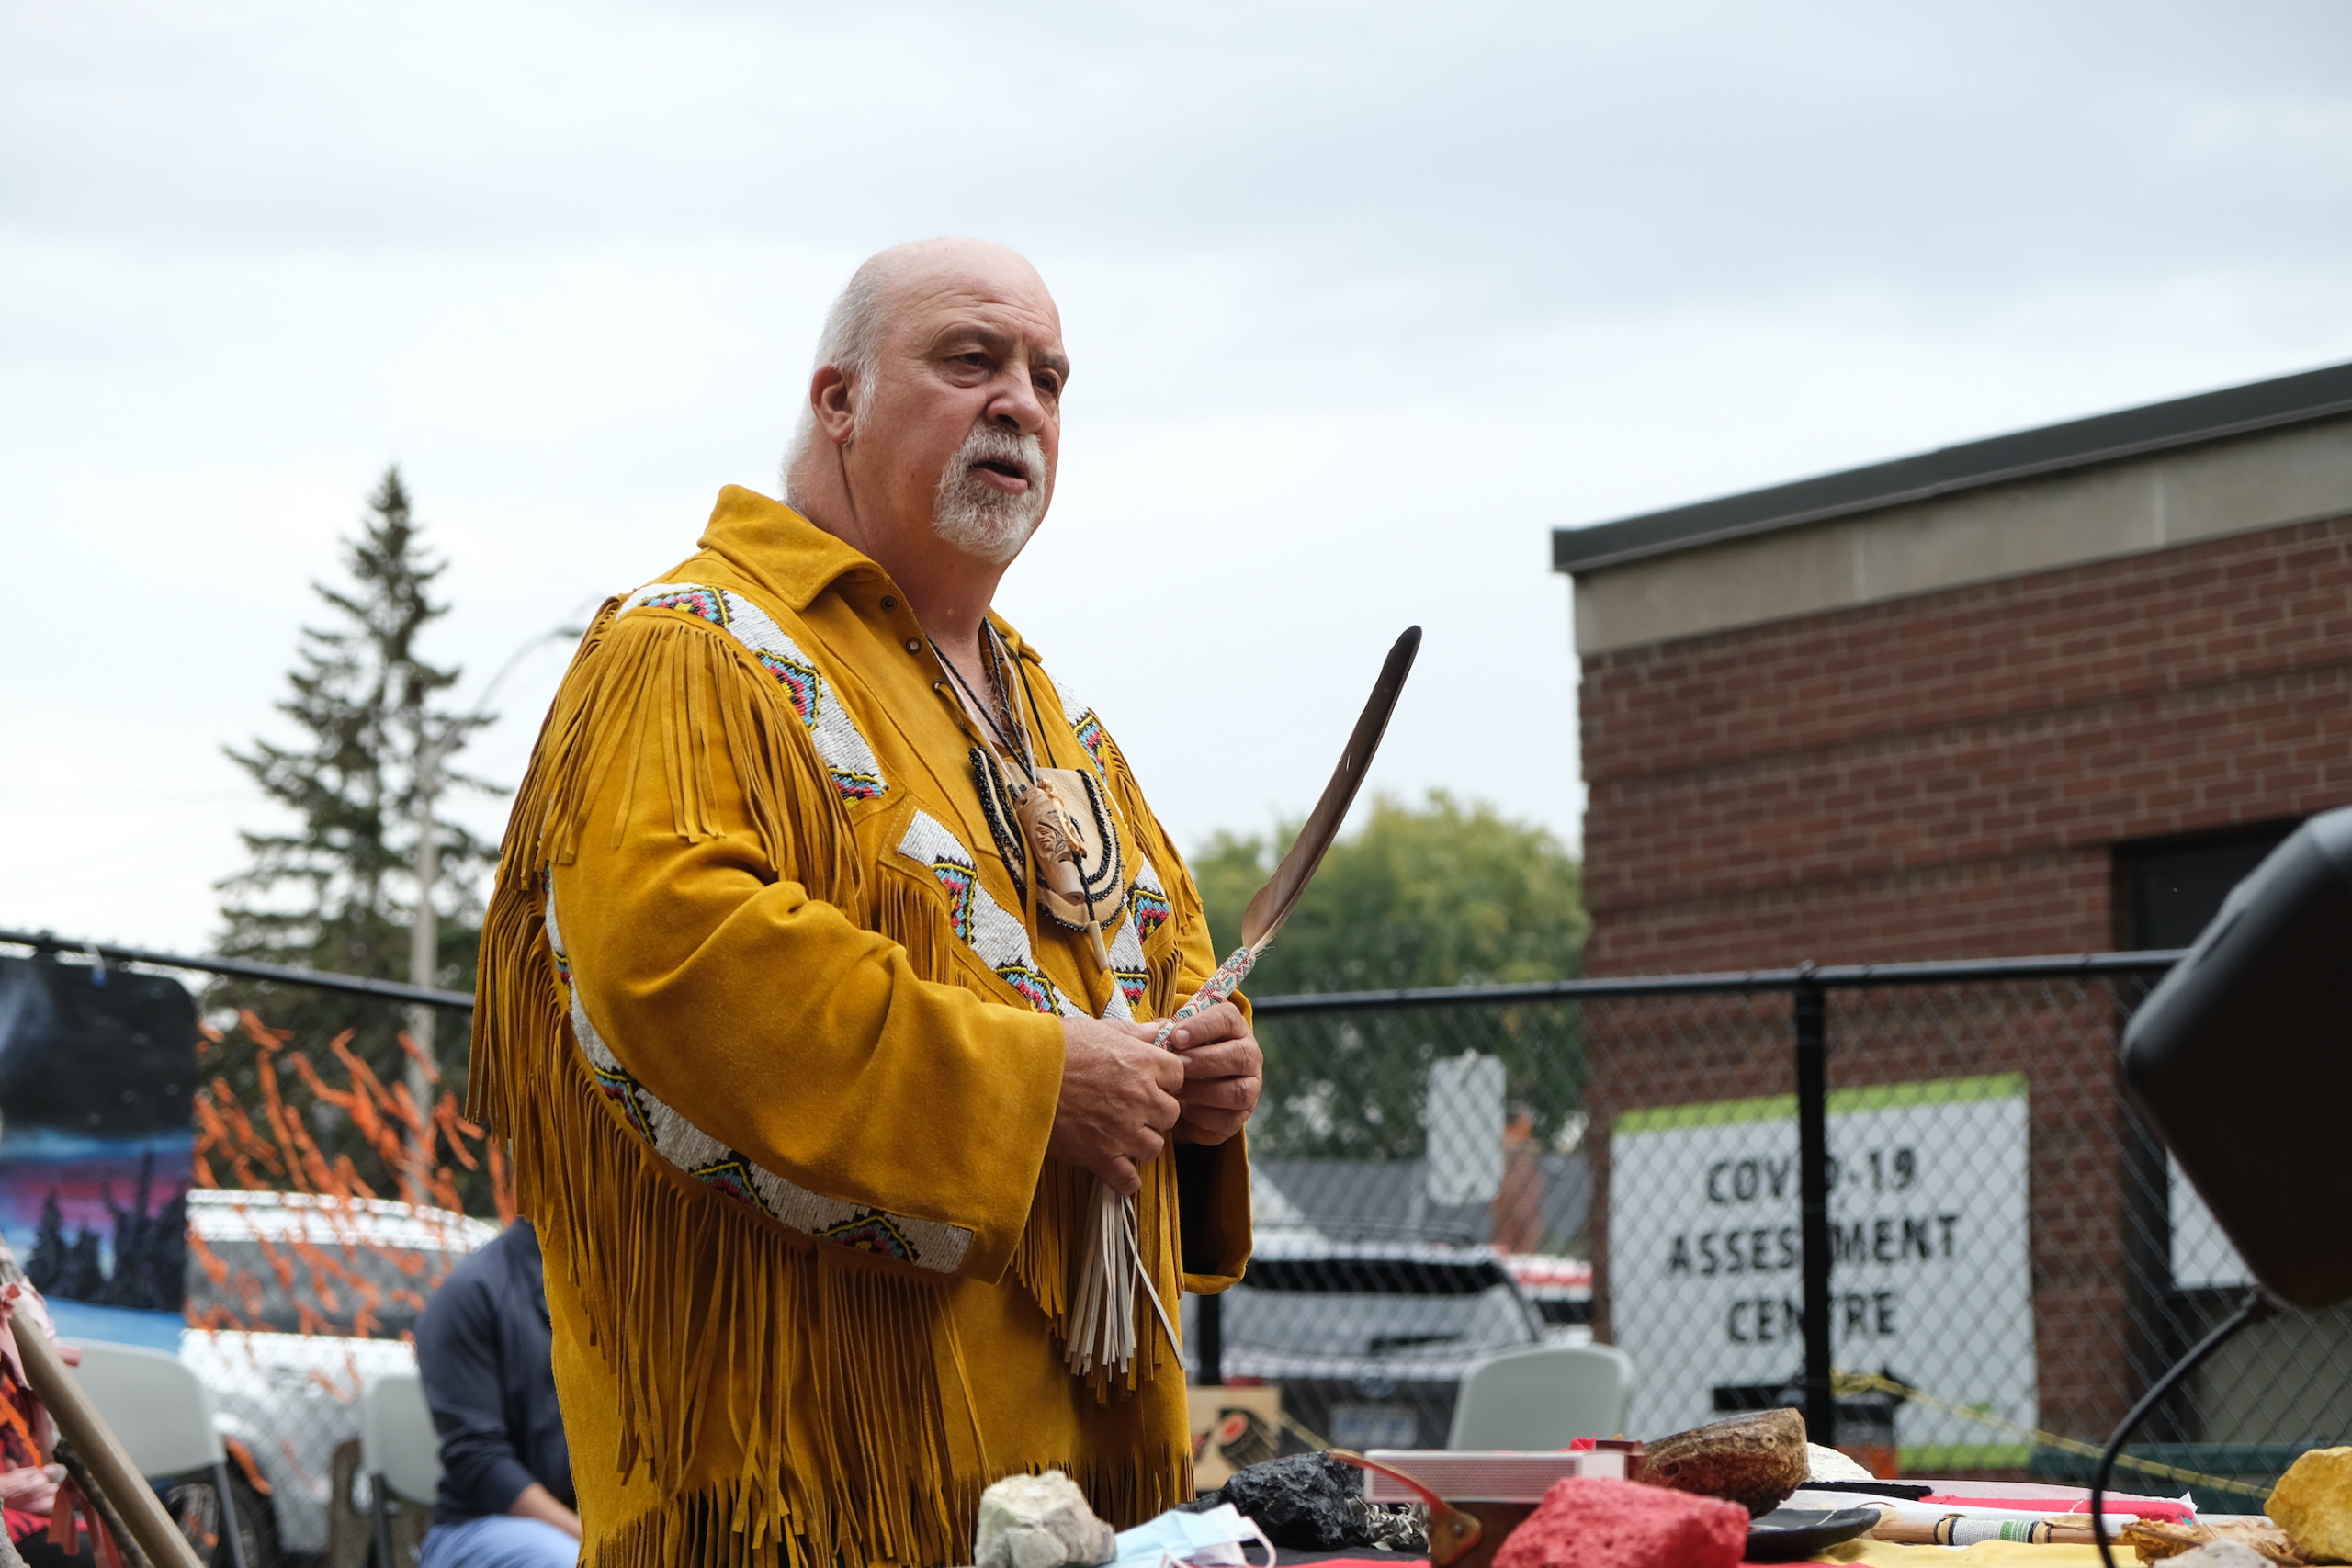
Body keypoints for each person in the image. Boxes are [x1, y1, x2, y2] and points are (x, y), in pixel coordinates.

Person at [470, 237, 1261, 1568]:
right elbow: (682, 964)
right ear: (837, 398)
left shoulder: (1051, 719)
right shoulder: (692, 650)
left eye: (1049, 378)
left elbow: (1172, 966)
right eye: (970, 360)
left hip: (1070, 1485)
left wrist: (1209, 1079)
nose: (1021, 401)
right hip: (805, 1492)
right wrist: (1031, 1081)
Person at [413, 1220, 577, 1568]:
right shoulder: (470, 1292)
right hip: (478, 1526)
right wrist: (591, 1540)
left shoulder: (626, 1282)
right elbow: (480, 1459)